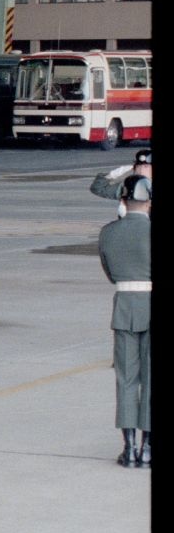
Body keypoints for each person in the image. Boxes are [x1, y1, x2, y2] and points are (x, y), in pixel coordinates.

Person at [97, 175, 151, 467]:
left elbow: (110, 273)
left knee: (127, 379)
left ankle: (129, 449)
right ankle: (148, 448)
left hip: (126, 307)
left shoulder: (108, 233)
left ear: (122, 200)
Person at [91, 148, 151, 215]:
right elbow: (98, 189)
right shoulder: (128, 187)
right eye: (138, 167)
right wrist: (111, 175)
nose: (141, 170)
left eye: (146, 167)